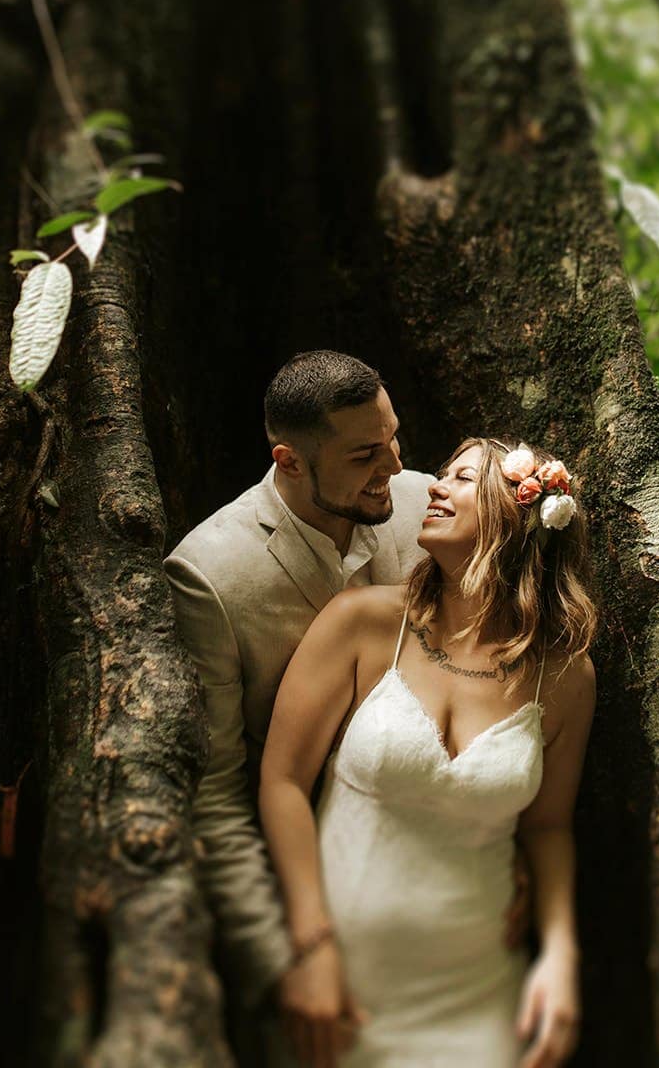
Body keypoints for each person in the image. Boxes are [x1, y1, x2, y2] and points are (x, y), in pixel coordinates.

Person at [259, 436, 598, 1068]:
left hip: (478, 995)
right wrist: (309, 946)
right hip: (339, 988)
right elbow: (281, 784)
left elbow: (549, 828)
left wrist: (559, 957)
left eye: (463, 478)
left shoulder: (566, 678)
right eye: (442, 474)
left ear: (516, 514)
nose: (434, 487)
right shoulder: (361, 623)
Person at [163, 351, 432, 1060]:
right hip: (312, 901)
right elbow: (217, 797)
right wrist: (287, 961)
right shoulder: (210, 575)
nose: (396, 468)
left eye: (394, 437)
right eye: (366, 454)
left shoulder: (430, 509)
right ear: (288, 460)